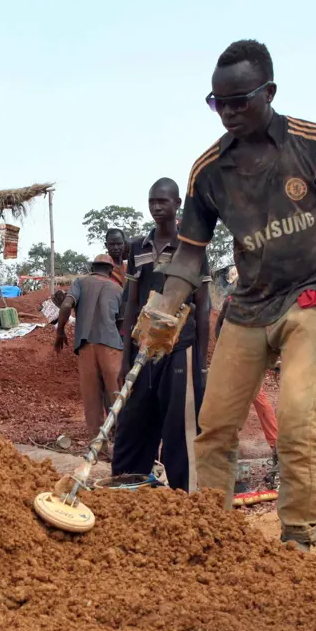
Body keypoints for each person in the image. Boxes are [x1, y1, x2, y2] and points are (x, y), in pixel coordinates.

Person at [131, 39, 316, 551]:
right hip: (247, 307)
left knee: (295, 419)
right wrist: (164, 310)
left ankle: (300, 533)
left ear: (269, 91)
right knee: (215, 426)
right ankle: (212, 533)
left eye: (239, 100)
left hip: (310, 299)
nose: (228, 113)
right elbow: (190, 256)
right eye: (217, 103)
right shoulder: (208, 172)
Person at [114, 179, 211, 490]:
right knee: (133, 424)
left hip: (179, 348)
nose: (156, 207)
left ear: (177, 204)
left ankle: (186, 498)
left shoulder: (192, 247)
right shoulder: (137, 248)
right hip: (142, 348)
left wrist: (202, 364)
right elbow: (131, 303)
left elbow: (203, 305)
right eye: (152, 201)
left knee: (179, 431)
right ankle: (127, 492)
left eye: (163, 201)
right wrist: (125, 360)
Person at [53, 253, 126, 447]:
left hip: (85, 347)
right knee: (116, 398)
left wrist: (60, 332)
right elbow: (122, 323)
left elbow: (67, 305)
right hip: (112, 347)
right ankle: (121, 446)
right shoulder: (118, 289)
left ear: (92, 267)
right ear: (110, 270)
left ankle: (98, 447)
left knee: (92, 399)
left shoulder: (80, 283)